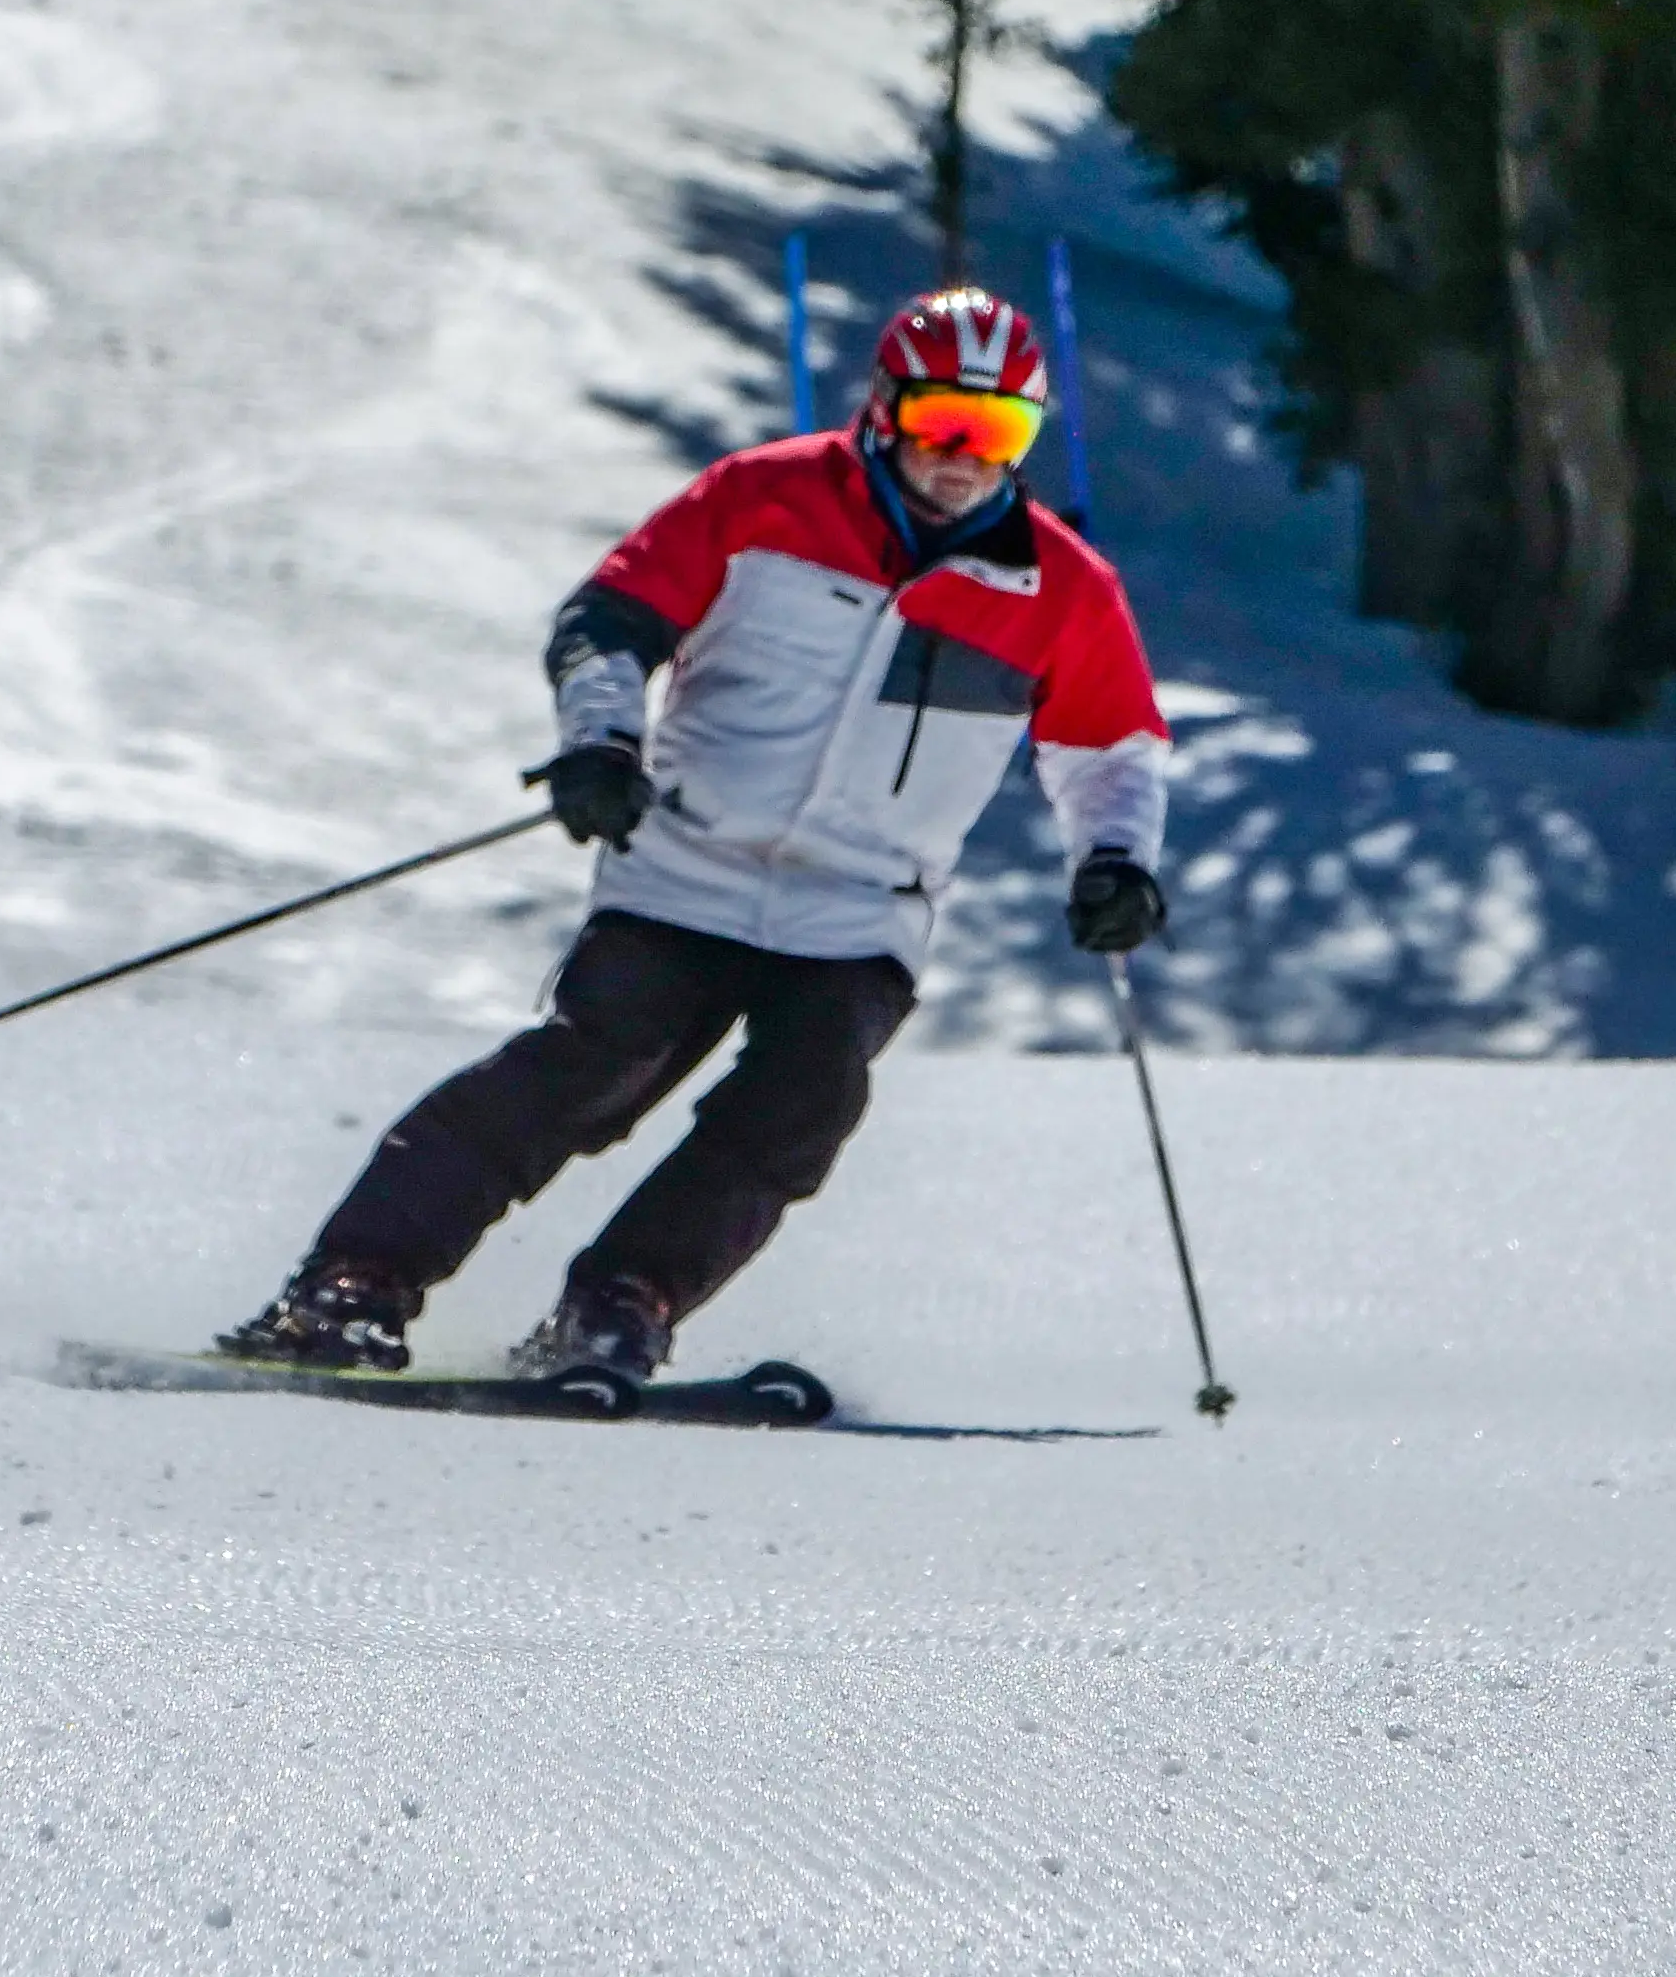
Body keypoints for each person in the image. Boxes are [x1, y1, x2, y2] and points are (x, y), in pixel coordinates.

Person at [222, 284, 1172, 1408]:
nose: (963, 459)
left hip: (860, 909)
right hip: (683, 868)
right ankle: (348, 1285)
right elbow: (608, 623)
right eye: (940, 425)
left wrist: (1115, 859)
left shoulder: (1058, 586)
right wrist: (599, 745)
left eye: (998, 432)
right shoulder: (764, 496)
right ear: (884, 409)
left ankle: (621, 1304)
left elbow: (1111, 746)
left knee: (804, 1103)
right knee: (585, 1071)